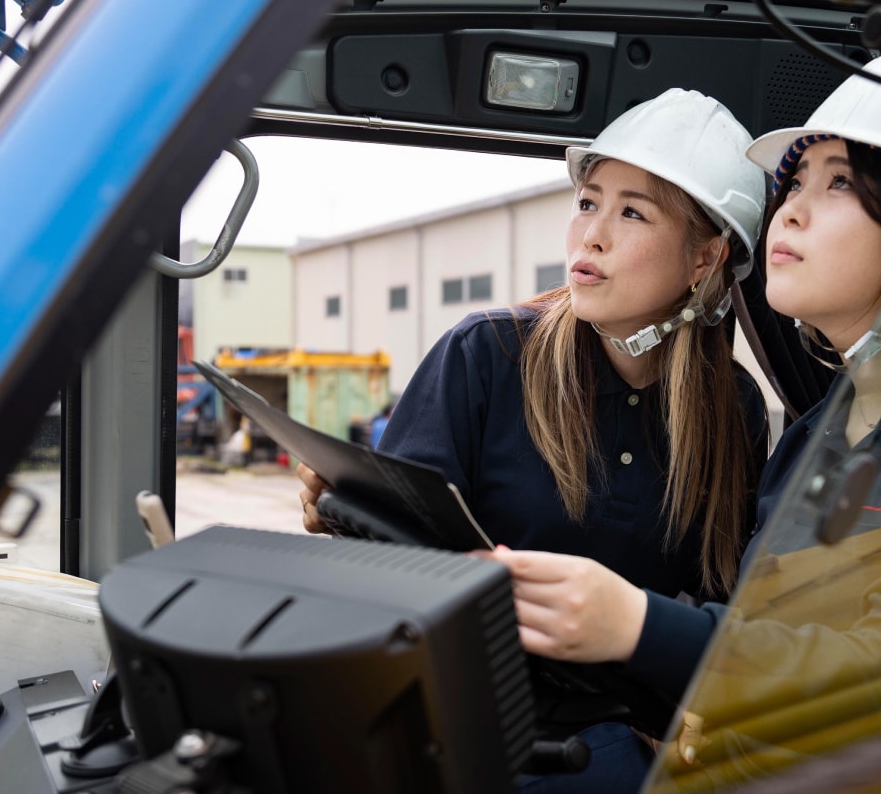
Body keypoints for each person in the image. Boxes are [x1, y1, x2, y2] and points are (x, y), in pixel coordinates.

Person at [481, 52, 881, 776]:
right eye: (795, 182)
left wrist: (639, 626)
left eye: (840, 183)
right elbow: (767, 638)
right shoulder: (816, 433)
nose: (792, 210)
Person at [297, 88, 773, 790]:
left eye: (632, 212)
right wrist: (345, 511)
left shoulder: (736, 412)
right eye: (589, 201)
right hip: (459, 722)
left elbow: (717, 610)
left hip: (615, 743)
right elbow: (388, 572)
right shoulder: (485, 354)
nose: (591, 235)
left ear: (705, 258)